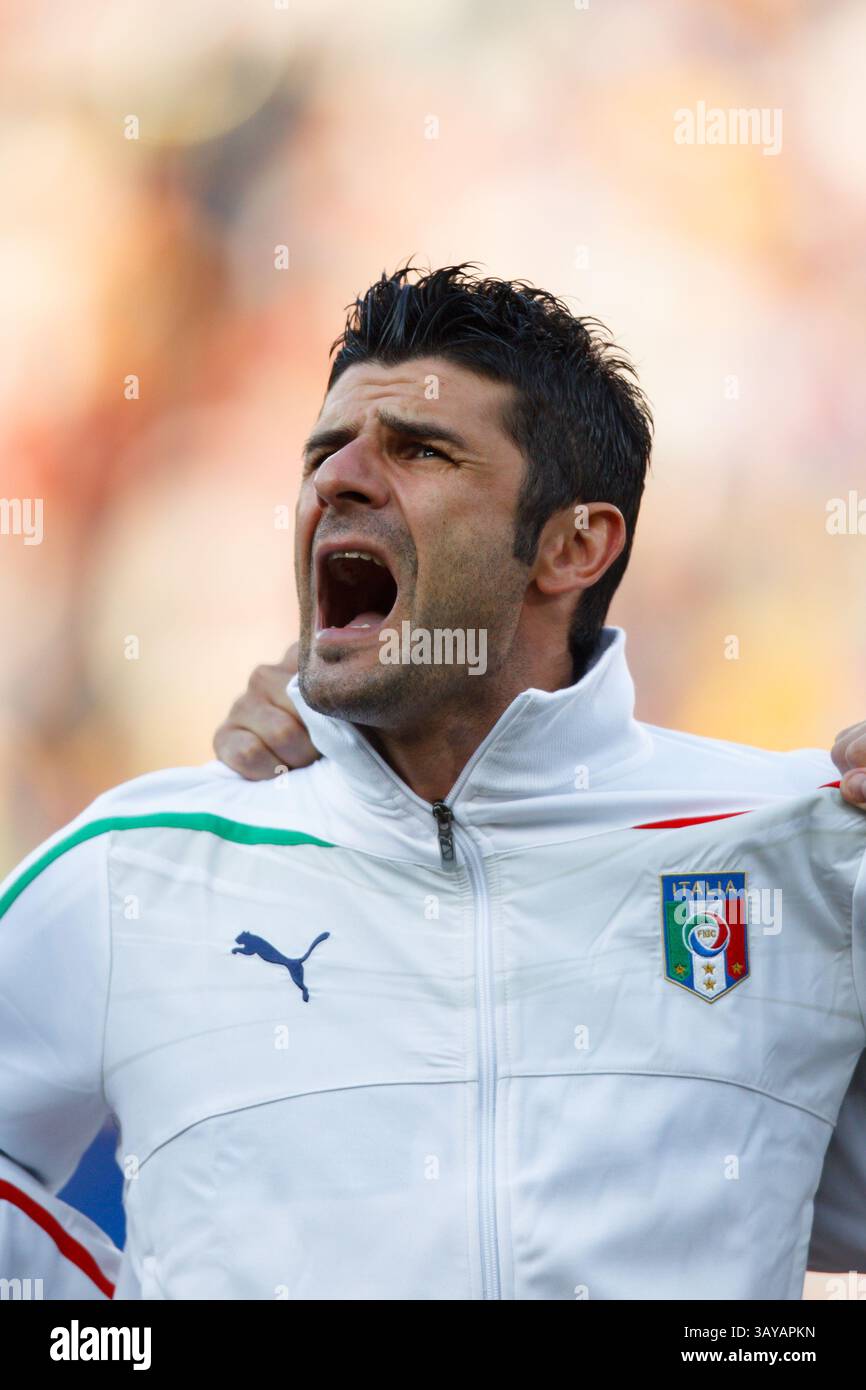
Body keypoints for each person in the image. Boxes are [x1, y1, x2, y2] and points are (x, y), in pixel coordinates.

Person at [1, 263, 865, 1301]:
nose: (338, 479)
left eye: (418, 448)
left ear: (572, 544)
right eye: (325, 451)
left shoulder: (800, 850)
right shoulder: (139, 864)